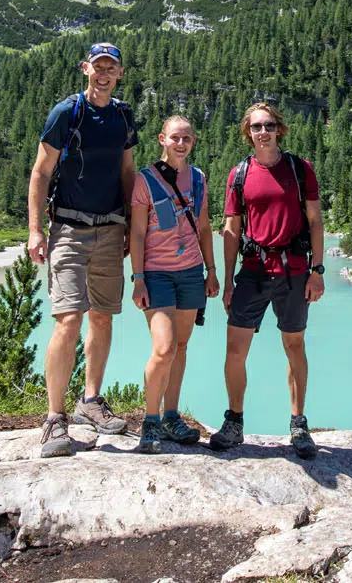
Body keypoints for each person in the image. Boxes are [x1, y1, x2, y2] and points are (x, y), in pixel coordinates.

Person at [27, 42, 138, 458]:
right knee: (68, 319)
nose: (104, 73)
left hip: (111, 228)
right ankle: (55, 418)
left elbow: (127, 171)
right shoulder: (66, 112)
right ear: (85, 69)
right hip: (68, 229)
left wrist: (131, 225)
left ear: (120, 73)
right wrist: (36, 230)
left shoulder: (123, 115)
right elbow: (41, 170)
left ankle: (90, 402)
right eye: (98, 66)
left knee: (103, 318)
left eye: (111, 67)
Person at [211, 103, 326, 459]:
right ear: (249, 132)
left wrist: (317, 271)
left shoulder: (299, 169)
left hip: (293, 271)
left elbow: (316, 220)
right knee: (235, 350)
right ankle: (234, 422)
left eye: (270, 125)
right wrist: (227, 280)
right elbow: (231, 228)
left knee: (294, 346)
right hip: (253, 271)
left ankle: (298, 424)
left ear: (279, 129)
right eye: (257, 127)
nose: (264, 132)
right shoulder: (240, 174)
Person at [128, 115, 220, 453]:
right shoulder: (145, 181)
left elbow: (205, 226)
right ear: (162, 139)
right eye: (175, 138)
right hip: (156, 274)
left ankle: (170, 416)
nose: (182, 144)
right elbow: (137, 233)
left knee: (180, 347)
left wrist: (211, 270)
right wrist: (138, 279)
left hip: (191, 271)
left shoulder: (197, 178)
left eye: (187, 138)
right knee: (164, 347)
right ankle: (149, 422)